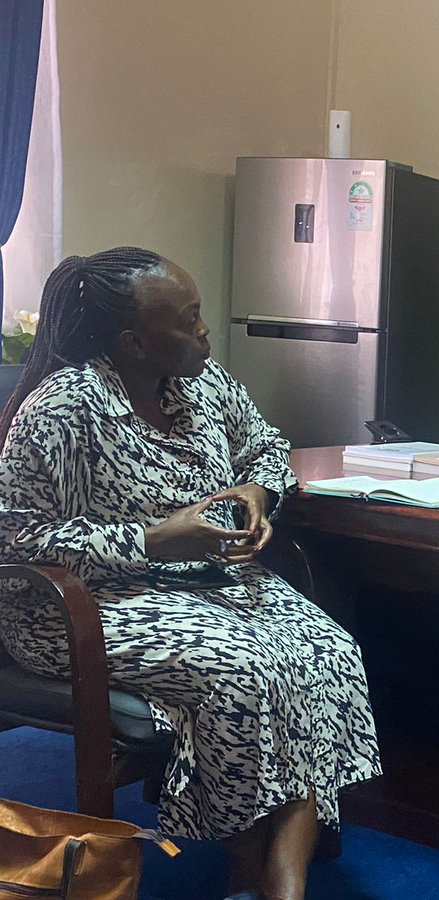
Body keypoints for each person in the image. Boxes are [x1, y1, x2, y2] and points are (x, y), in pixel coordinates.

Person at [0, 248, 382, 900]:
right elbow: (17, 538)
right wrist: (151, 539)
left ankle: (278, 881)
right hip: (88, 603)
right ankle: (252, 873)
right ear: (136, 342)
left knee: (326, 650)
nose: (206, 332)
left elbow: (266, 443)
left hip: (207, 589)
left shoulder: (206, 384)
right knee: (244, 669)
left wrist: (259, 491)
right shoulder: (64, 410)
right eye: (189, 320)